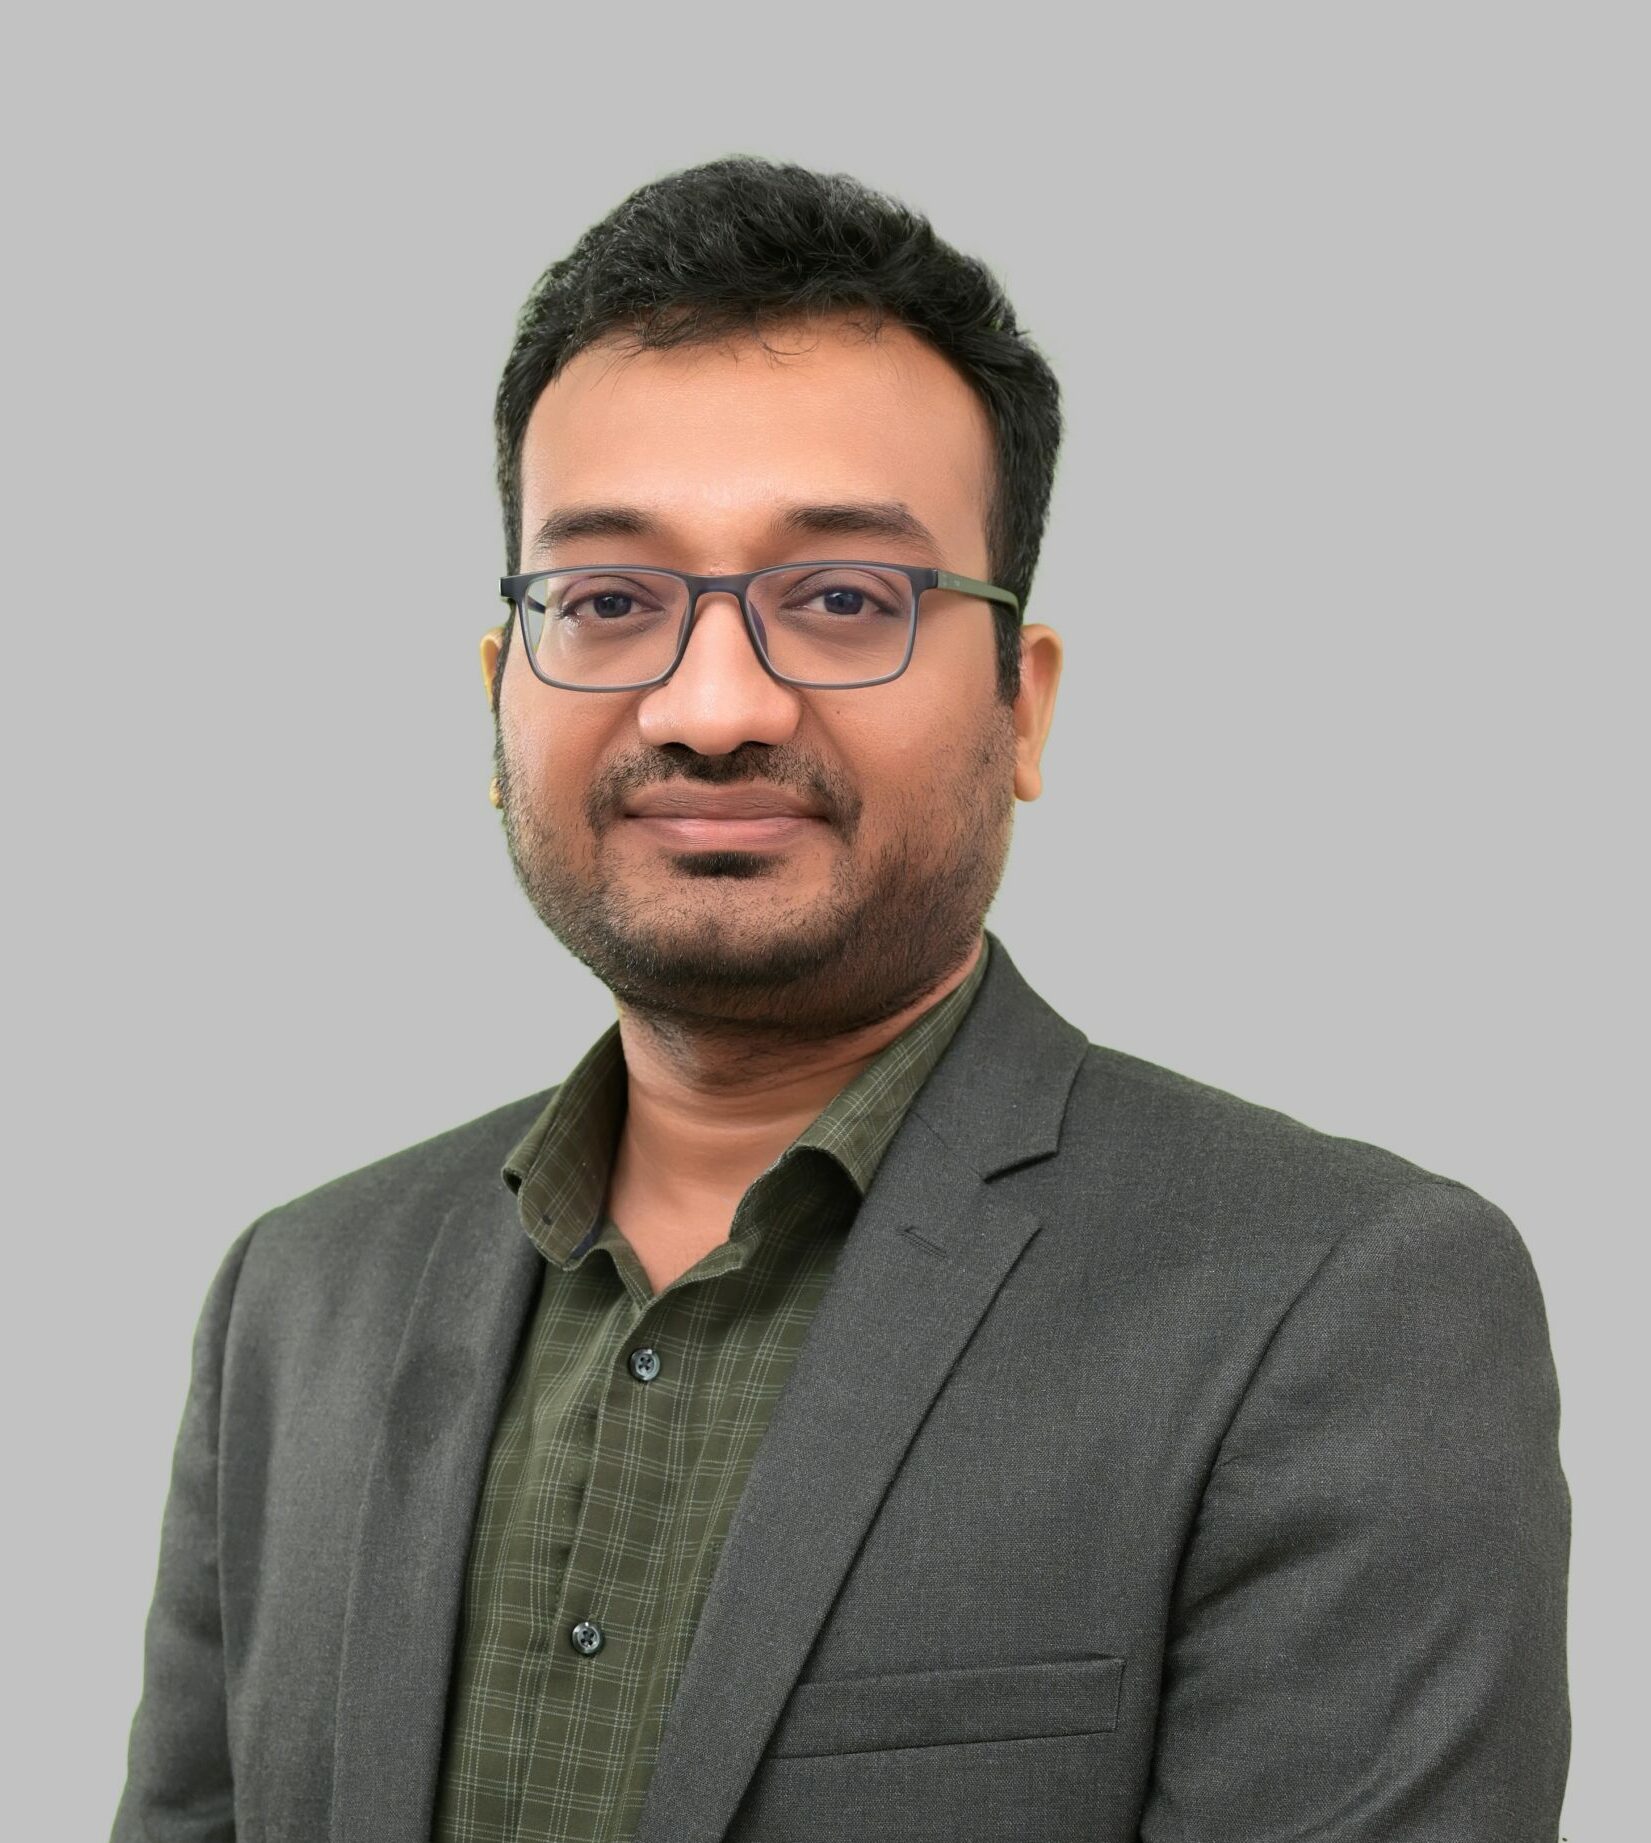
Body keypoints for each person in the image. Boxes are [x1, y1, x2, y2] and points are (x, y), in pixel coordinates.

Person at [112, 155, 1570, 1843]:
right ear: (502, 697)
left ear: (1023, 708)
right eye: (608, 601)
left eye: (842, 600)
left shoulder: (1338, 1305)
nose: (711, 705)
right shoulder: (298, 1298)